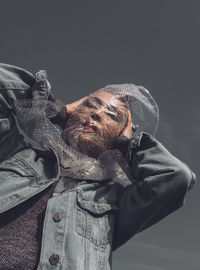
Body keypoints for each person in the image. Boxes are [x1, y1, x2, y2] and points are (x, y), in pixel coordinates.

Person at [0, 63, 196, 270]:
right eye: (90, 105)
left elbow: (175, 176)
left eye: (112, 115)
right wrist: (54, 108)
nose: (96, 114)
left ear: (123, 132)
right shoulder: (16, 154)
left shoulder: (113, 201)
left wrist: (127, 145)